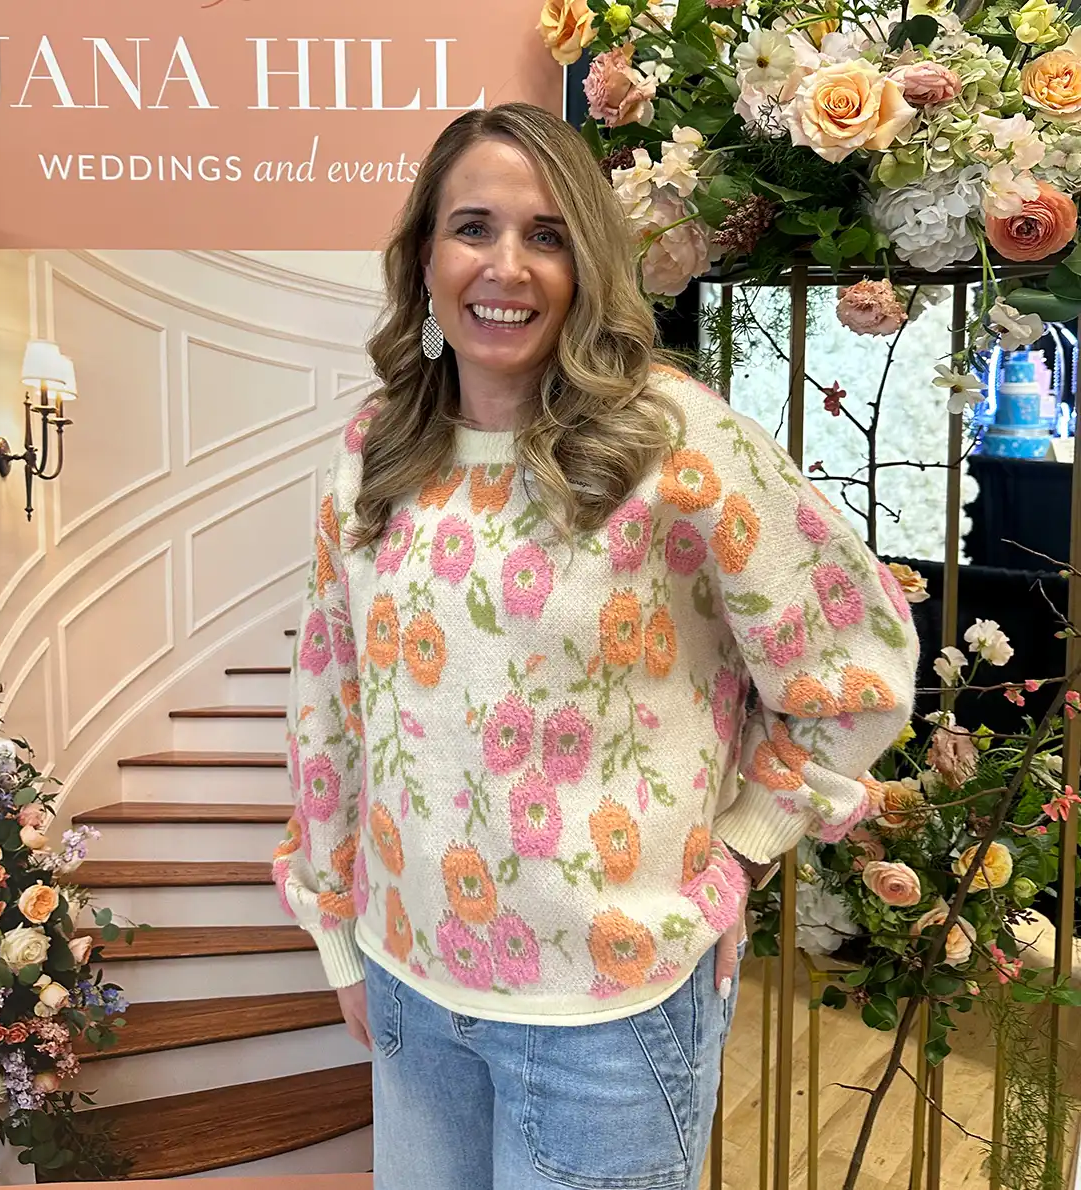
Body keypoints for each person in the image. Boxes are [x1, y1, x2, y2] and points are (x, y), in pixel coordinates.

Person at [273, 102, 919, 1190]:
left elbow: (857, 660)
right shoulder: (377, 449)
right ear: (425, 256)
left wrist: (744, 845)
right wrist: (336, 925)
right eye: (472, 228)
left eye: (548, 234)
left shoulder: (673, 440)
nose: (507, 266)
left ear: (589, 262)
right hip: (408, 986)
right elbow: (331, 699)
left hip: (607, 1020)